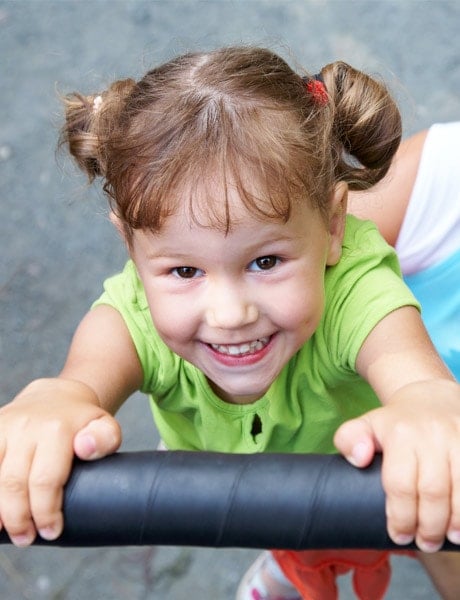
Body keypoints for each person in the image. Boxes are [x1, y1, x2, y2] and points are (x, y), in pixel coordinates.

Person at [1, 47, 460, 600]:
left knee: (440, 514)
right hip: (268, 475)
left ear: (335, 226)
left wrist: (429, 404)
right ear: (130, 245)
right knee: (294, 535)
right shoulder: (134, 316)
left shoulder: (356, 290)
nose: (229, 314)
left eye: (265, 262)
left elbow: (409, 371)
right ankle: (294, 561)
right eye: (184, 269)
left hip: (363, 475)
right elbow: (79, 383)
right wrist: (53, 403)